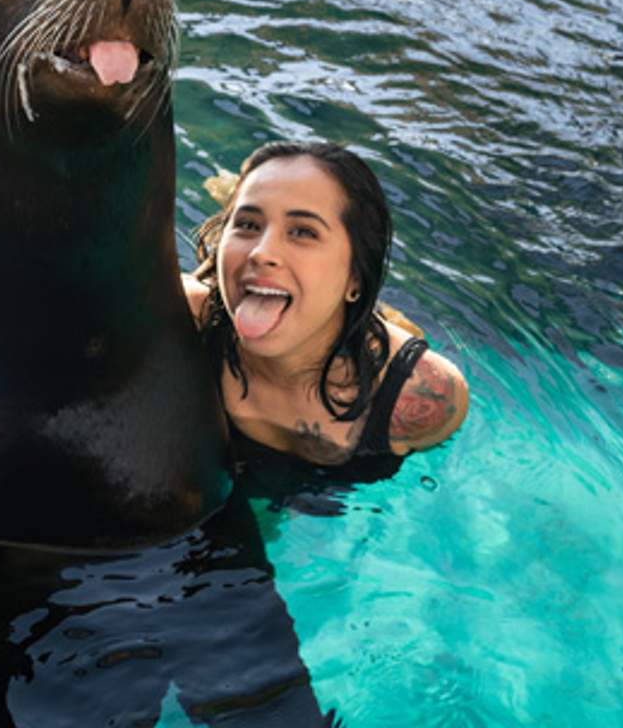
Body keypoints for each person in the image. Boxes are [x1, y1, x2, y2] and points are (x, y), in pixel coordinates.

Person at [182, 141, 469, 482]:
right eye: (247, 224)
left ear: (355, 275)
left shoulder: (420, 397)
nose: (261, 252)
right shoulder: (179, 318)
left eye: (303, 231)